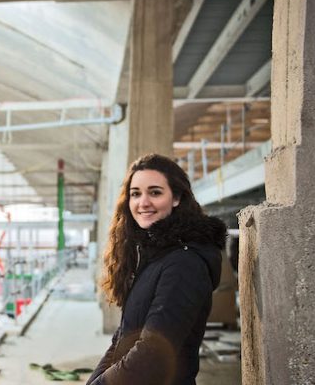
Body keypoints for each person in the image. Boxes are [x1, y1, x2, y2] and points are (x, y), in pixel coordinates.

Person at [87, 154, 226, 385]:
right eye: (135, 194)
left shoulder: (184, 264)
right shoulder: (152, 256)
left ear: (177, 198)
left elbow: (152, 353)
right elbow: (122, 338)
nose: (143, 202)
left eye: (155, 192)